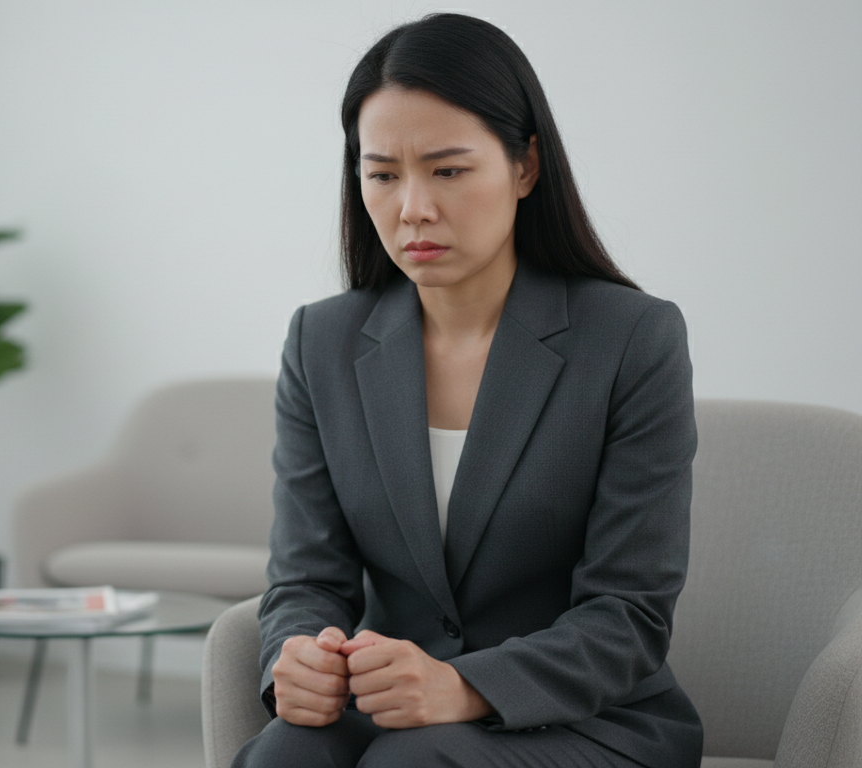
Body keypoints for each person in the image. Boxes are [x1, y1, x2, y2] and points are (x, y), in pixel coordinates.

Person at [232, 13, 701, 768]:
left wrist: (465, 687)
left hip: (589, 722)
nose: (412, 206)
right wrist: (300, 653)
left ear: (525, 166)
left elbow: (629, 614)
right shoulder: (321, 342)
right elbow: (306, 575)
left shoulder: (631, 338)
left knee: (413, 764)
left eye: (447, 170)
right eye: (383, 174)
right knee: (287, 754)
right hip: (394, 710)